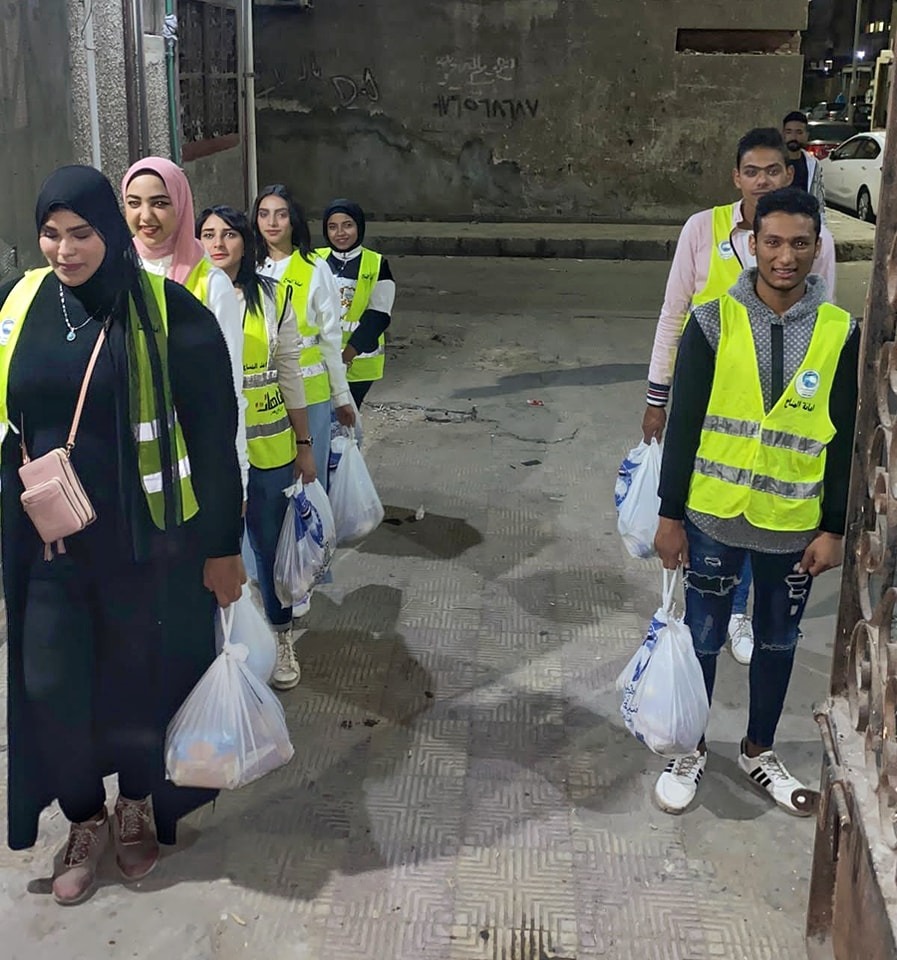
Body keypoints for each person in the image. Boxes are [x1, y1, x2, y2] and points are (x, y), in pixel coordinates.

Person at [2, 166, 244, 904]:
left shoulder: (169, 312)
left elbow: (213, 436)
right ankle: (84, 817)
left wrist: (223, 547)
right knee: (51, 687)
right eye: (51, 234)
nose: (65, 250)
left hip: (147, 548)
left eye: (81, 234)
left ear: (108, 230)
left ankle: (135, 803)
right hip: (49, 543)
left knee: (138, 682)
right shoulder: (20, 302)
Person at [652, 187, 859, 816]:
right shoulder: (712, 320)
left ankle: (758, 749)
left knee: (777, 641)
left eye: (800, 243)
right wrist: (669, 514)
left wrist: (834, 527)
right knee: (704, 638)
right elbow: (684, 424)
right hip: (712, 517)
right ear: (752, 244)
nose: (785, 257)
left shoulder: (839, 330)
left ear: (818, 248)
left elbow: (844, 438)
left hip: (792, 525)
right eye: (773, 242)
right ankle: (690, 747)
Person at [641, 128, 837, 664]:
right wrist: (658, 395)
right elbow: (673, 312)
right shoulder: (701, 230)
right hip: (711, 395)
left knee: (765, 512)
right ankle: (719, 612)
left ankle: (744, 614)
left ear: (790, 174)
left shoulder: (811, 237)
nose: (762, 181)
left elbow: (823, 316)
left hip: (783, 401)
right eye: (752, 171)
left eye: (773, 171)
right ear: (736, 177)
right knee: (716, 511)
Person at [197, 205, 317, 691]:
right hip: (209, 455)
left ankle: (281, 636)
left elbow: (289, 372)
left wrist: (304, 444)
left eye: (228, 234)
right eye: (207, 234)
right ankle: (224, 648)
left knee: (268, 550)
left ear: (246, 242)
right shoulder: (186, 294)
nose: (217, 244)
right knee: (213, 553)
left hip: (268, 451)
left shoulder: (271, 297)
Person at [121, 158, 248, 497]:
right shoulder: (114, 274)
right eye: (134, 203)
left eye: (160, 203)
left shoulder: (211, 283)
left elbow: (231, 388)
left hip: (193, 454)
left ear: (181, 204)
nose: (145, 216)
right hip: (126, 458)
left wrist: (238, 475)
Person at [252, 185, 355, 486]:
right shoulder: (248, 268)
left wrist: (341, 396)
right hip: (261, 398)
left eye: (281, 215)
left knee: (309, 480)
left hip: (310, 394)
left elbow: (330, 338)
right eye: (264, 214)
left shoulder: (315, 268)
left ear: (293, 220)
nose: (272, 223)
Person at [317, 199, 395, 408]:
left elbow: (378, 317)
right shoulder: (315, 259)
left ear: (359, 226)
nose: (340, 233)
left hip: (358, 363)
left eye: (347, 225)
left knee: (346, 418)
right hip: (319, 361)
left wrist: (345, 357)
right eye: (332, 227)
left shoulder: (377, 264)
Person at [782, 111, 826, 220]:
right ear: (783, 134)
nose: (793, 137)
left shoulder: (813, 164)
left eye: (799, 132)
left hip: (804, 222)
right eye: (789, 132)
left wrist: (821, 226)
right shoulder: (773, 162)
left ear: (806, 135)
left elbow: (819, 201)